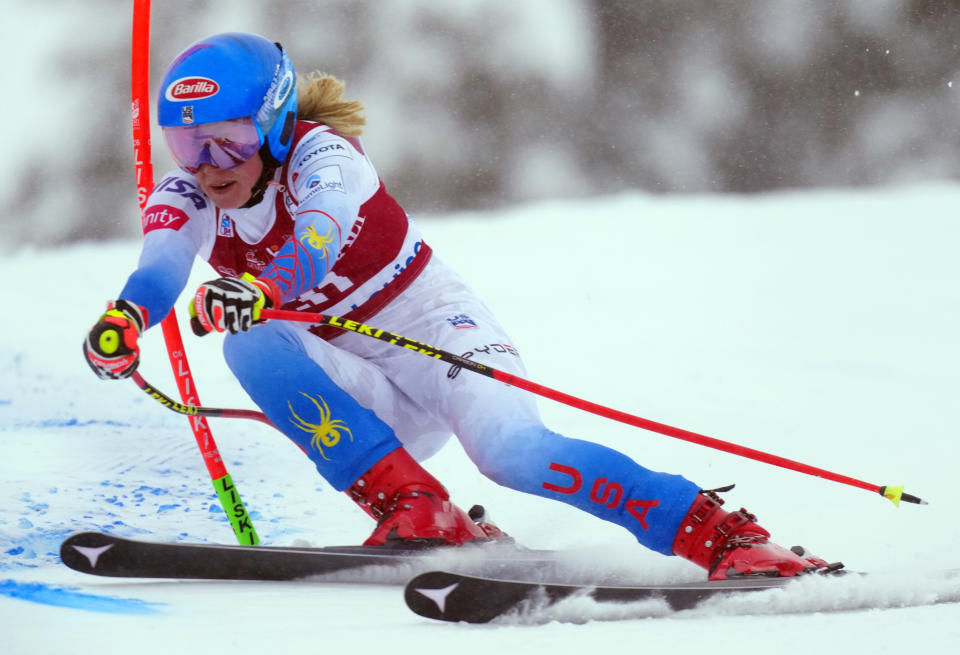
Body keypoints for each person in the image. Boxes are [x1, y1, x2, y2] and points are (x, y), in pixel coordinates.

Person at [83, 32, 835, 580]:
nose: (207, 166)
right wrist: (123, 322)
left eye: (229, 141)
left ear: (276, 123)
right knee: (247, 347)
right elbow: (161, 267)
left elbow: (316, 237)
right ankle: (417, 507)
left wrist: (260, 288)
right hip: (361, 383)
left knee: (513, 454)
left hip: (439, 337)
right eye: (188, 147)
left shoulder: (324, 159)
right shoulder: (190, 192)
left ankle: (721, 534)